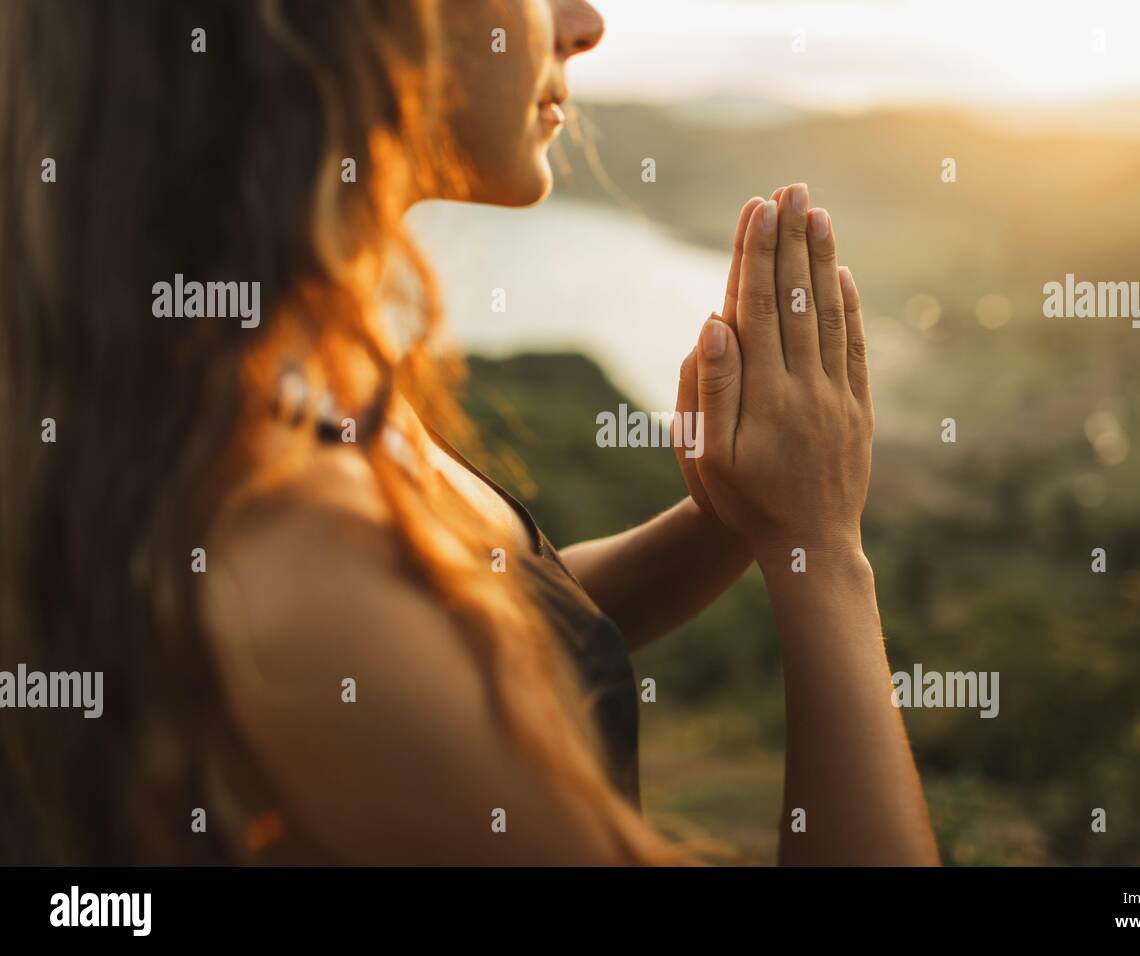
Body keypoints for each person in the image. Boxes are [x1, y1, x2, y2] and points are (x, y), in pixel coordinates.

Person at [0, 0, 938, 866]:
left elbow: (509, 616)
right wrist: (823, 548)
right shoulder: (301, 549)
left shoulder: (271, 373)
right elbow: (389, 628)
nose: (585, 22)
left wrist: (740, 513)